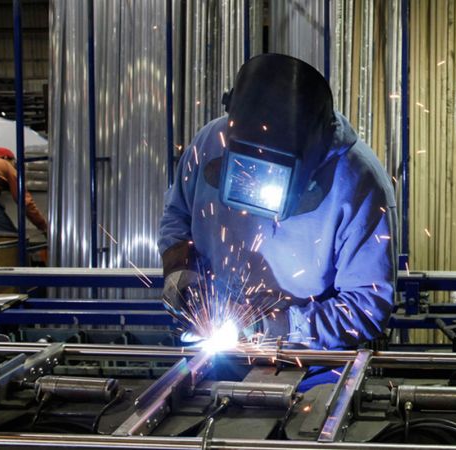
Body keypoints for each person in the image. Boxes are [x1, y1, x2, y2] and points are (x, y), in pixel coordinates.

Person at [158, 54, 396, 353]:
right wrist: (180, 273)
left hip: (310, 360)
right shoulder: (210, 143)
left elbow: (367, 305)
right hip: (216, 349)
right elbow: (177, 214)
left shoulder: (359, 182)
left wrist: (272, 328)